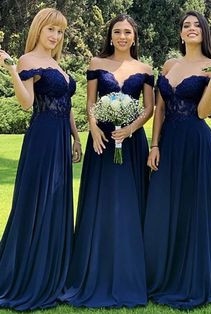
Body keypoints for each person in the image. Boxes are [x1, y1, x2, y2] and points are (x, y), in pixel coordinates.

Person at [59, 14, 154, 308]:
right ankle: (94, 269)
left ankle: (129, 273)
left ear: (134, 37)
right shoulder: (96, 64)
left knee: (128, 203)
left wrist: (131, 128)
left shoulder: (145, 68)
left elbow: (149, 107)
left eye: (127, 32)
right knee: (101, 202)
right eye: (117, 32)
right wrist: (96, 128)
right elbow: (89, 103)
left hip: (132, 142)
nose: (122, 36)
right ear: (110, 36)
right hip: (101, 141)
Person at [144, 10, 211, 310]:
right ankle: (161, 275)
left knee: (194, 211)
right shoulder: (170, 65)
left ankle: (191, 278)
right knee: (163, 208)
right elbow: (160, 108)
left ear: (204, 33)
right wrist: (154, 145)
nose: (191, 28)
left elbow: (203, 112)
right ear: (181, 34)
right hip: (168, 144)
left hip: (197, 145)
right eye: (186, 25)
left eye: (197, 25)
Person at [0, 7, 82, 310]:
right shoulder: (28, 60)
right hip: (43, 137)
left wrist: (75, 137)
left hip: (61, 138)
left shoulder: (55, 63)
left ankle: (53, 270)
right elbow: (27, 103)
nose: (55, 36)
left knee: (57, 201)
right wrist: (11, 71)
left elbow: (67, 103)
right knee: (37, 201)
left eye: (60, 31)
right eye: (51, 29)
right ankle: (28, 274)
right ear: (38, 29)